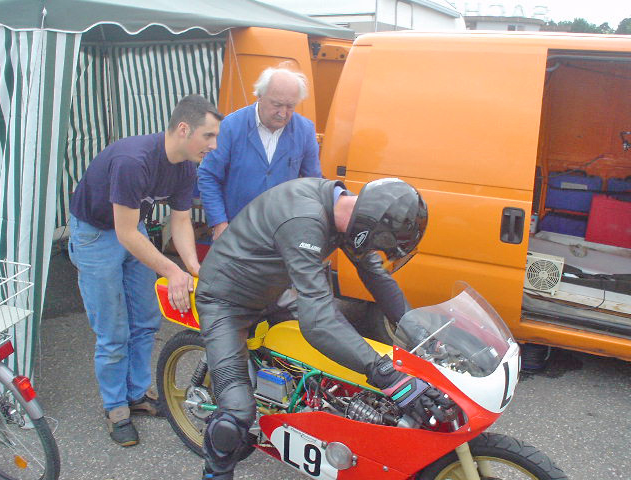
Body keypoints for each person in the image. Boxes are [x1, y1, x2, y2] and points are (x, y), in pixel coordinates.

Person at [194, 177, 452, 479]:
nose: (377, 250)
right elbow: (319, 322)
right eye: (381, 244)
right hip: (226, 301)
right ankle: (215, 472)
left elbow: (377, 277)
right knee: (236, 413)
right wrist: (390, 378)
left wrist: (420, 334)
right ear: (370, 228)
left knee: (325, 368)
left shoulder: (348, 214)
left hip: (273, 292)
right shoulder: (304, 219)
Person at [68, 95, 223, 447]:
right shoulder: (132, 161)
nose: (214, 145)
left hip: (131, 229)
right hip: (96, 234)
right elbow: (124, 234)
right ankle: (115, 408)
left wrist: (193, 268)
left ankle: (137, 395)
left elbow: (181, 221)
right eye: (208, 136)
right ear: (184, 129)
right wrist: (172, 270)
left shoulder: (185, 164)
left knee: (146, 320)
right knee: (112, 330)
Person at [197, 66, 322, 240]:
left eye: (290, 106)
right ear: (260, 96)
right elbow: (208, 175)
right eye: (277, 104)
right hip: (236, 230)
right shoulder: (230, 127)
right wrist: (219, 223)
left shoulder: (305, 130)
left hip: (282, 232)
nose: (283, 113)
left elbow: (314, 183)